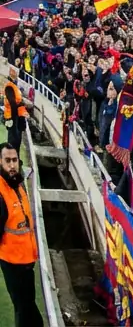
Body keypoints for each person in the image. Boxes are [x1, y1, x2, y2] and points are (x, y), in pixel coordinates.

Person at [0, 143, 38, 327]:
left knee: (28, 306)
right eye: (7, 161)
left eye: (14, 160)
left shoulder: (17, 183)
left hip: (26, 261)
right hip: (13, 264)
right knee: (23, 310)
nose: (12, 165)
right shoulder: (1, 194)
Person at [2, 63, 26, 151]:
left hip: (17, 118)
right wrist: (21, 104)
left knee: (17, 142)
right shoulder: (10, 86)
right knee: (13, 142)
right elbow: (12, 104)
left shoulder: (15, 86)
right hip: (13, 118)